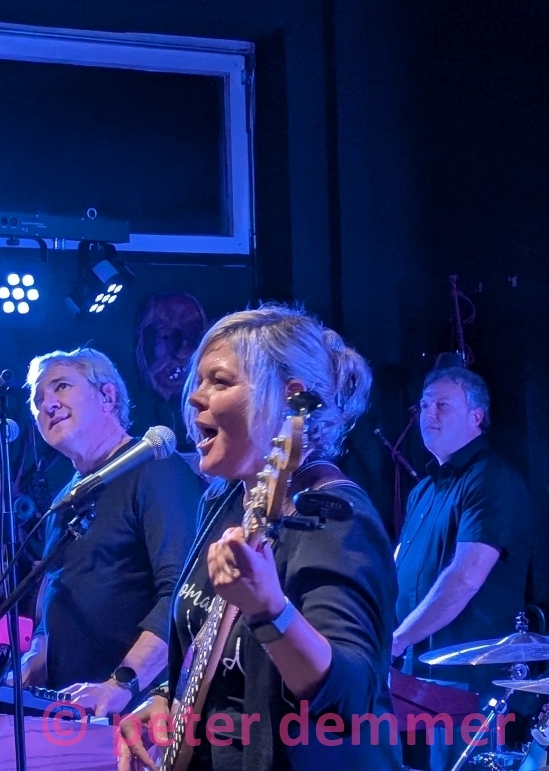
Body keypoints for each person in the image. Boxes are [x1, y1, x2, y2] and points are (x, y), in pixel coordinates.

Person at [117, 305, 402, 771]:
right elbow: (216, 651)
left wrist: (270, 610)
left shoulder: (333, 516)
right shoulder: (226, 499)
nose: (195, 397)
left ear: (291, 399)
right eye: (198, 381)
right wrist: (168, 696)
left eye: (219, 381)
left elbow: (351, 697)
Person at [20, 347, 201, 717]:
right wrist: (24, 670)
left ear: (107, 396)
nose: (47, 404)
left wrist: (123, 682)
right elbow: (52, 611)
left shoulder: (156, 469)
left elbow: (183, 594)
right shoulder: (66, 500)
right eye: (37, 400)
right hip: (73, 712)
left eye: (61, 386)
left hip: (142, 710)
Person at [392, 366, 530, 771]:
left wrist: (397, 639)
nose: (428, 414)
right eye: (424, 405)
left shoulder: (490, 479)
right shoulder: (423, 489)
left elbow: (466, 576)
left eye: (442, 405)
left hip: (466, 678)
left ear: (476, 416)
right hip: (416, 674)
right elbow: (398, 571)